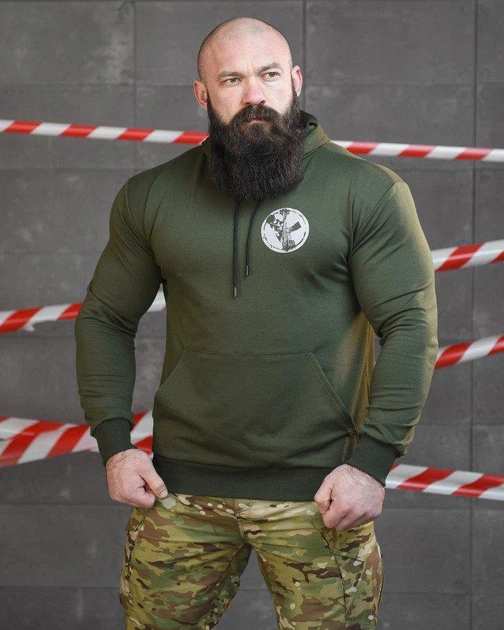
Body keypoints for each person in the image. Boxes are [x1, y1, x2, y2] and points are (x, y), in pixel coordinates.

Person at [74, 16, 438, 630]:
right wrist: (115, 445)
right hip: (179, 492)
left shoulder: (367, 192)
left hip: (322, 495)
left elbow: (410, 326)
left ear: (295, 80)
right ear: (202, 93)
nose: (254, 95)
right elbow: (106, 318)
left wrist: (372, 462)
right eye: (231, 79)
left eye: (268, 75)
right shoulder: (152, 196)